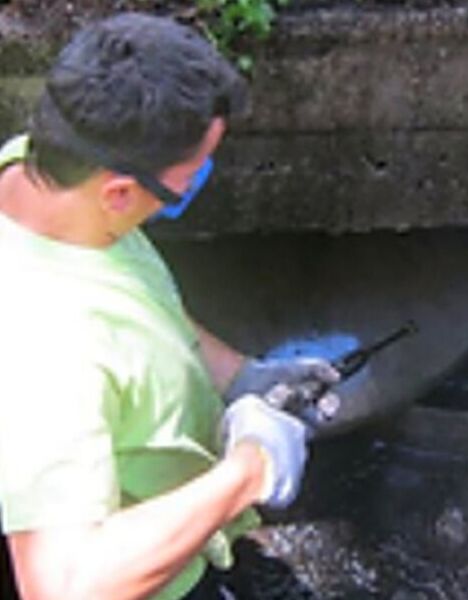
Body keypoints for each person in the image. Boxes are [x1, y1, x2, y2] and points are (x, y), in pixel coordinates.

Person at [0, 12, 340, 600]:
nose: (198, 184)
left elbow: (132, 297)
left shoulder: (42, 173)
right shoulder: (45, 352)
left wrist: (239, 375)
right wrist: (248, 473)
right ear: (120, 192)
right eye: (190, 181)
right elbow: (64, 585)